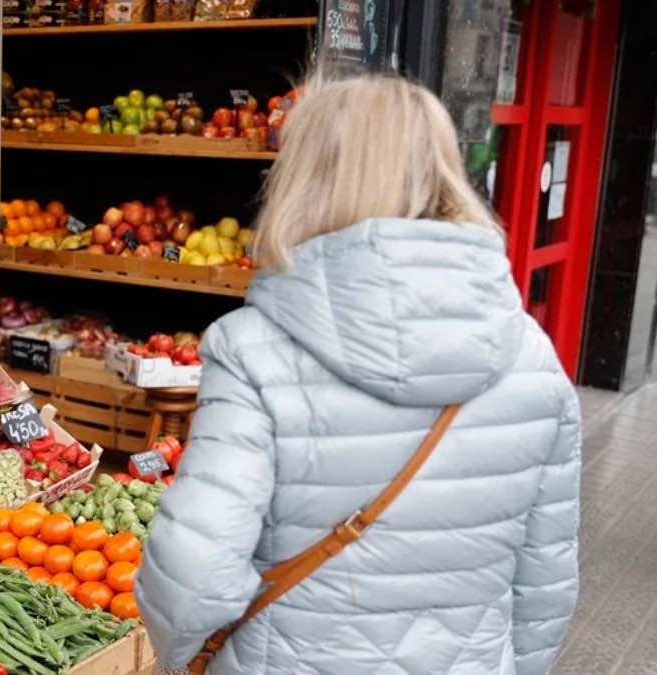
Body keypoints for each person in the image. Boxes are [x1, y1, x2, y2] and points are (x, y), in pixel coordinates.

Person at [134, 74, 580, 675]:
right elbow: (545, 581)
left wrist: (179, 660)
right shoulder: (534, 357)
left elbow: (193, 572)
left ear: (303, 176)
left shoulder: (253, 349)